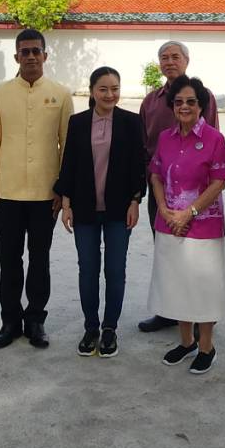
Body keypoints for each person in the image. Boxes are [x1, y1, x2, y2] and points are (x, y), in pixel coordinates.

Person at [0, 29, 73, 350]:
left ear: (45, 56)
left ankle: (35, 320)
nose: (31, 57)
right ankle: (9, 321)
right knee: (9, 260)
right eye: (25, 52)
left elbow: (67, 146)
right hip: (5, 192)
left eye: (36, 51)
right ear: (16, 56)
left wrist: (63, 189)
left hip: (46, 194)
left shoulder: (61, 94)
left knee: (39, 259)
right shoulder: (0, 93)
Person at [54, 66, 146, 358]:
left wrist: (135, 201)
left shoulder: (131, 122)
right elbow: (69, 163)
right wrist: (66, 203)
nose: (110, 94)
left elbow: (138, 165)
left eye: (114, 89)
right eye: (103, 89)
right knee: (88, 269)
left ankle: (109, 328)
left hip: (120, 208)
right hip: (84, 207)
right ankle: (91, 327)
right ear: (92, 91)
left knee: (115, 270)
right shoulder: (78, 122)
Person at [146, 75, 225, 374]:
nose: (184, 107)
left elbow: (219, 182)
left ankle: (206, 346)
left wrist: (190, 212)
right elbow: (156, 175)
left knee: (202, 287)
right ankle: (186, 342)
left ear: (201, 106)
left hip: (203, 227)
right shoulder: (165, 138)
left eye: (191, 102)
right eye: (179, 102)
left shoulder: (214, 139)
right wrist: (163, 208)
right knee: (176, 285)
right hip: (169, 222)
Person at [137, 40, 218, 334]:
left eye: (175, 56)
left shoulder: (202, 96)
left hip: (196, 193)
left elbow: (212, 141)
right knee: (167, 253)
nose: (169, 62)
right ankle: (169, 311)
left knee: (197, 257)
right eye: (164, 57)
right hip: (161, 189)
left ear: (186, 60)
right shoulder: (150, 101)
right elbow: (144, 146)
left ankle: (201, 316)